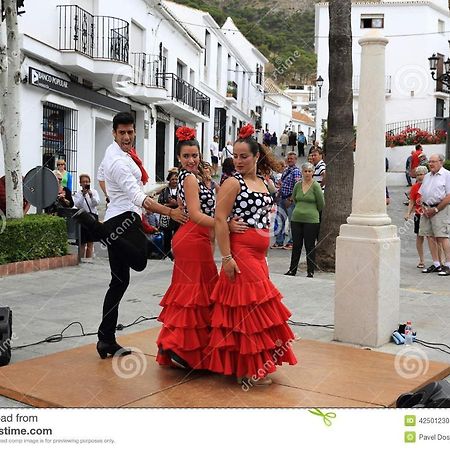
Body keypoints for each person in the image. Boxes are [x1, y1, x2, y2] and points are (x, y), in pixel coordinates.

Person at [74, 112, 188, 359]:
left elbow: (102, 177)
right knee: (140, 261)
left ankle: (105, 340)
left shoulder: (115, 154)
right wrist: (171, 212)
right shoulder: (120, 162)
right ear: (114, 133)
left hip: (118, 215)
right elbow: (138, 198)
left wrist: (113, 195)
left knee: (119, 283)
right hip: (125, 220)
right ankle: (97, 228)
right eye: (122, 132)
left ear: (134, 132)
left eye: (130, 132)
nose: (126, 136)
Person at [207, 123, 297, 386]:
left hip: (259, 255)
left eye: (243, 156)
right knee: (250, 311)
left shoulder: (262, 182)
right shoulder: (232, 183)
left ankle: (248, 367)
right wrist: (226, 257)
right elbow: (220, 220)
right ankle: (248, 369)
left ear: (256, 156)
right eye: (235, 156)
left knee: (250, 310)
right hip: (242, 252)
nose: (238, 160)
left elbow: (264, 217)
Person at [156, 126, 219, 370]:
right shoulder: (190, 178)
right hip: (193, 239)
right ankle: (180, 348)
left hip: (192, 239)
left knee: (189, 296)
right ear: (179, 158)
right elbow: (194, 214)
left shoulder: (189, 177)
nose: (191, 160)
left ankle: (174, 346)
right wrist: (225, 226)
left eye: (194, 155)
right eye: (186, 156)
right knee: (193, 297)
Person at [284, 162, 324, 278]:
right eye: (305, 171)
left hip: (311, 220)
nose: (307, 173)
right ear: (302, 172)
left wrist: (311, 211)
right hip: (297, 218)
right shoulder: (297, 185)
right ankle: (292, 269)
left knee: (309, 245)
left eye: (310, 171)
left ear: (313, 173)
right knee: (296, 245)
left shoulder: (316, 186)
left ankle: (310, 271)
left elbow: (321, 203)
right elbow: (295, 199)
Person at [419, 154, 450, 276]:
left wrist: (436, 209)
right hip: (427, 209)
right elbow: (422, 193)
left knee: (442, 236)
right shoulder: (427, 176)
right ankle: (436, 264)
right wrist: (423, 207)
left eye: (434, 162)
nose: (430, 164)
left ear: (441, 162)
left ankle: (448, 265)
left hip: (440, 209)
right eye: (429, 162)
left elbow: (449, 196)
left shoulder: (447, 175)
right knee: (429, 236)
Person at [271, 152, 301, 249]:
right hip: (282, 198)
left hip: (289, 199)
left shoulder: (296, 171)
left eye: (292, 158)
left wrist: (291, 199)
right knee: (280, 220)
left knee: (292, 222)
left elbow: (297, 186)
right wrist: (278, 196)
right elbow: (282, 185)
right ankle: (279, 241)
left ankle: (292, 242)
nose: (289, 160)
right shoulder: (286, 170)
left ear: (295, 160)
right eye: (288, 158)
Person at [404, 166, 429, 269]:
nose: (419, 177)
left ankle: (441, 260)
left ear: (426, 174)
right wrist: (408, 213)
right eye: (418, 175)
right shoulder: (415, 187)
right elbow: (412, 201)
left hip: (429, 213)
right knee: (419, 236)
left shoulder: (429, 185)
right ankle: (421, 259)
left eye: (421, 174)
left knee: (433, 237)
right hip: (418, 213)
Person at [73, 174, 100, 259]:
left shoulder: (94, 192)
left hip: (92, 217)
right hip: (83, 218)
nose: (85, 183)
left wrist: (91, 196)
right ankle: (81, 259)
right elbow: (77, 205)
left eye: (87, 182)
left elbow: (96, 203)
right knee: (82, 241)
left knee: (90, 241)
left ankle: (89, 259)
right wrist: (83, 196)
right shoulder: (78, 194)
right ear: (80, 183)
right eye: (83, 182)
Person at [157, 170, 180, 260]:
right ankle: (166, 252)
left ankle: (177, 252)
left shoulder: (181, 189)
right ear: (169, 180)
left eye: (176, 179)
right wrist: (169, 205)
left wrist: (175, 204)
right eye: (172, 179)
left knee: (178, 235)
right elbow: (160, 202)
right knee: (167, 235)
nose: (174, 181)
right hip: (167, 215)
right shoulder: (165, 191)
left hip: (178, 215)